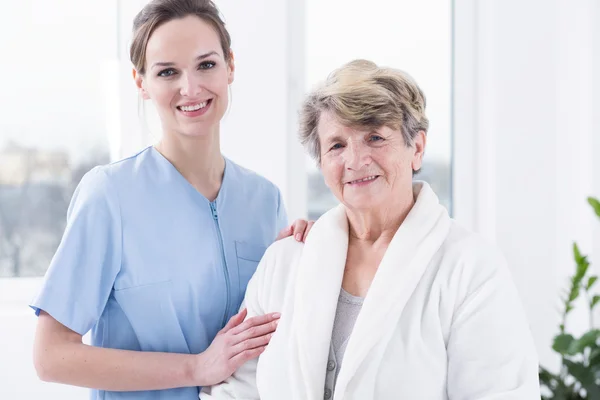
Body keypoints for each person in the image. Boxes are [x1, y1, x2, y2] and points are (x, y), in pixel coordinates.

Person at [201, 59, 541, 400]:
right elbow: (237, 389)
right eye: (336, 145)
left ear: (417, 148)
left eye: (375, 137)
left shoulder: (470, 267)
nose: (355, 160)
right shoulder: (285, 260)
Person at [30, 1, 312, 399]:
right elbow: (51, 356)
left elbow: (279, 331)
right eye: (167, 72)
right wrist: (197, 367)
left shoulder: (263, 200)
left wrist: (310, 255)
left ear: (231, 66)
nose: (191, 88)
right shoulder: (110, 196)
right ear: (141, 82)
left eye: (206, 65)